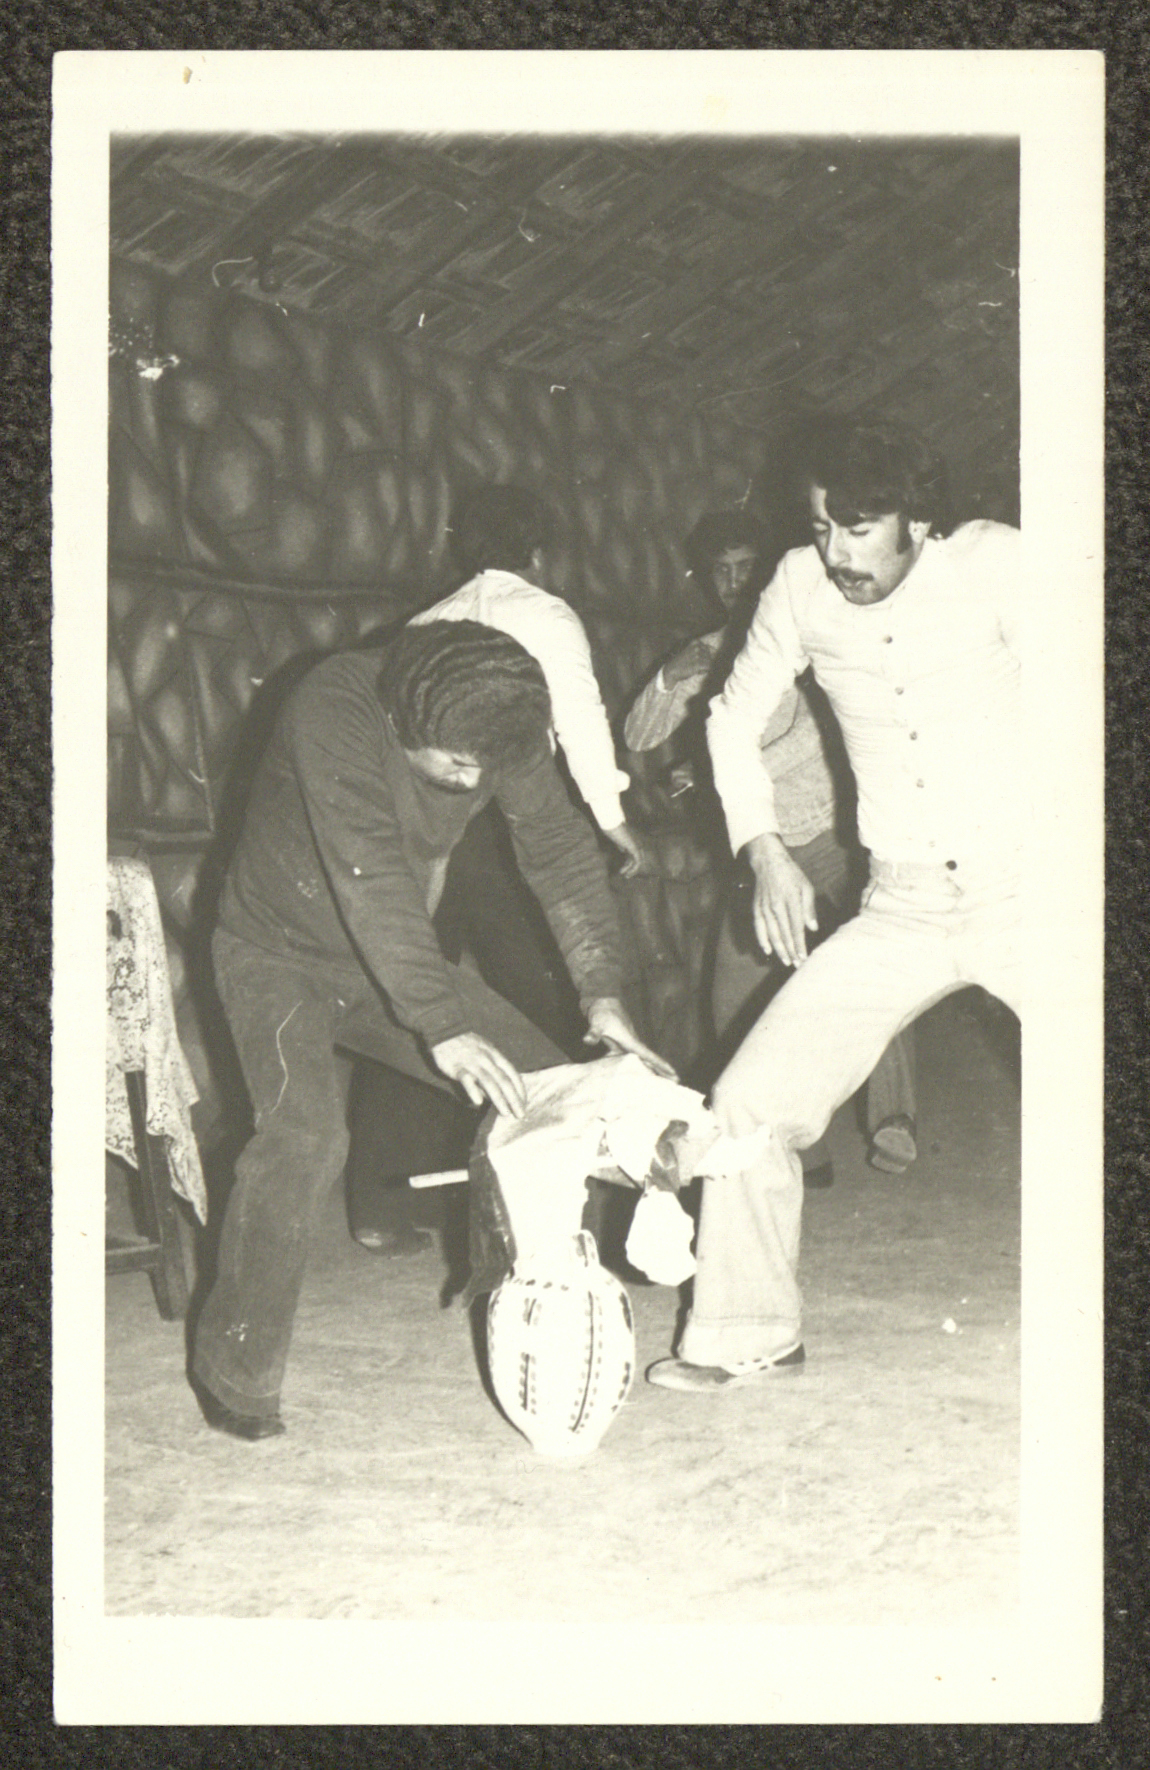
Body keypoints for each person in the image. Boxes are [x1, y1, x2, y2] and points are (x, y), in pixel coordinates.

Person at [192, 620, 671, 1439]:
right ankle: (234, 1370)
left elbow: (558, 851)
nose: (473, 781)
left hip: (389, 957)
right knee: (305, 1137)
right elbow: (368, 869)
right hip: (275, 953)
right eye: (455, 764)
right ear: (401, 716)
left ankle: (549, 1316)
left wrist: (602, 993)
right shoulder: (334, 704)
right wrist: (441, 1023)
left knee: (553, 1097)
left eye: (487, 768)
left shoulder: (497, 720)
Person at [646, 418, 1021, 1392]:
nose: (836, 553)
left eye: (857, 529)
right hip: (899, 906)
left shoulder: (991, 565)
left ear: (916, 519)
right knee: (748, 1105)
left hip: (1026, 888)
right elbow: (729, 717)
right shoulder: (798, 585)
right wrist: (761, 845)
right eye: (820, 528)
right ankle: (747, 1334)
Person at [624, 508, 917, 1181]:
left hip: (834, 835)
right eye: (720, 573)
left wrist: (710, 772)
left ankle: (894, 1118)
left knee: (882, 961)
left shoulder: (809, 628)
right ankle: (796, 1150)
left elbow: (814, 736)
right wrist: (672, 673)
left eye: (744, 569)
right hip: (761, 852)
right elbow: (638, 734)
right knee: (735, 1001)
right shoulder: (710, 649)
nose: (733, 584)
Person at [410, 484, 648, 877]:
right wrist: (612, 821)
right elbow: (579, 720)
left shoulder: (425, 621)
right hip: (512, 815)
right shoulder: (548, 615)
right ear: (537, 555)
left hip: (428, 817)